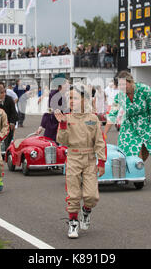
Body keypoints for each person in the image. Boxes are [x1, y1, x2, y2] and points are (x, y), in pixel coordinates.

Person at [55, 86, 106, 239]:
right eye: (69, 98)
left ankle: (86, 211)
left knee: (92, 196)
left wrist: (101, 161)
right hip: (73, 158)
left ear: (84, 99)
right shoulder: (67, 118)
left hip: (90, 159)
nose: (71, 101)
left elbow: (99, 141)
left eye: (75, 98)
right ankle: (73, 223)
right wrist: (63, 124)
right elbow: (61, 141)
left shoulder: (93, 118)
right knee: (73, 194)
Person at [104, 71, 151, 163]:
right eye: (120, 85)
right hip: (130, 124)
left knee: (145, 151)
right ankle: (136, 173)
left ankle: (137, 168)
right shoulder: (120, 96)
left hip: (148, 122)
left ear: (131, 81)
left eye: (124, 84)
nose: (122, 88)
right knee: (133, 149)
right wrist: (104, 133)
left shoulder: (145, 90)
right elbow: (112, 114)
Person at [35, 76, 69, 142]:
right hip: (53, 124)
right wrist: (42, 125)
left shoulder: (67, 94)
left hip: (64, 124)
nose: (68, 84)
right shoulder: (54, 94)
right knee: (51, 145)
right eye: (66, 83)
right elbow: (49, 110)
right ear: (61, 85)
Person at [0, 84, 18, 152]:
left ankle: (7, 152)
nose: (2, 94)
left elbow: (13, 112)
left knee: (8, 138)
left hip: (9, 122)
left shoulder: (9, 99)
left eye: (3, 92)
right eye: (0, 93)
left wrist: (12, 123)